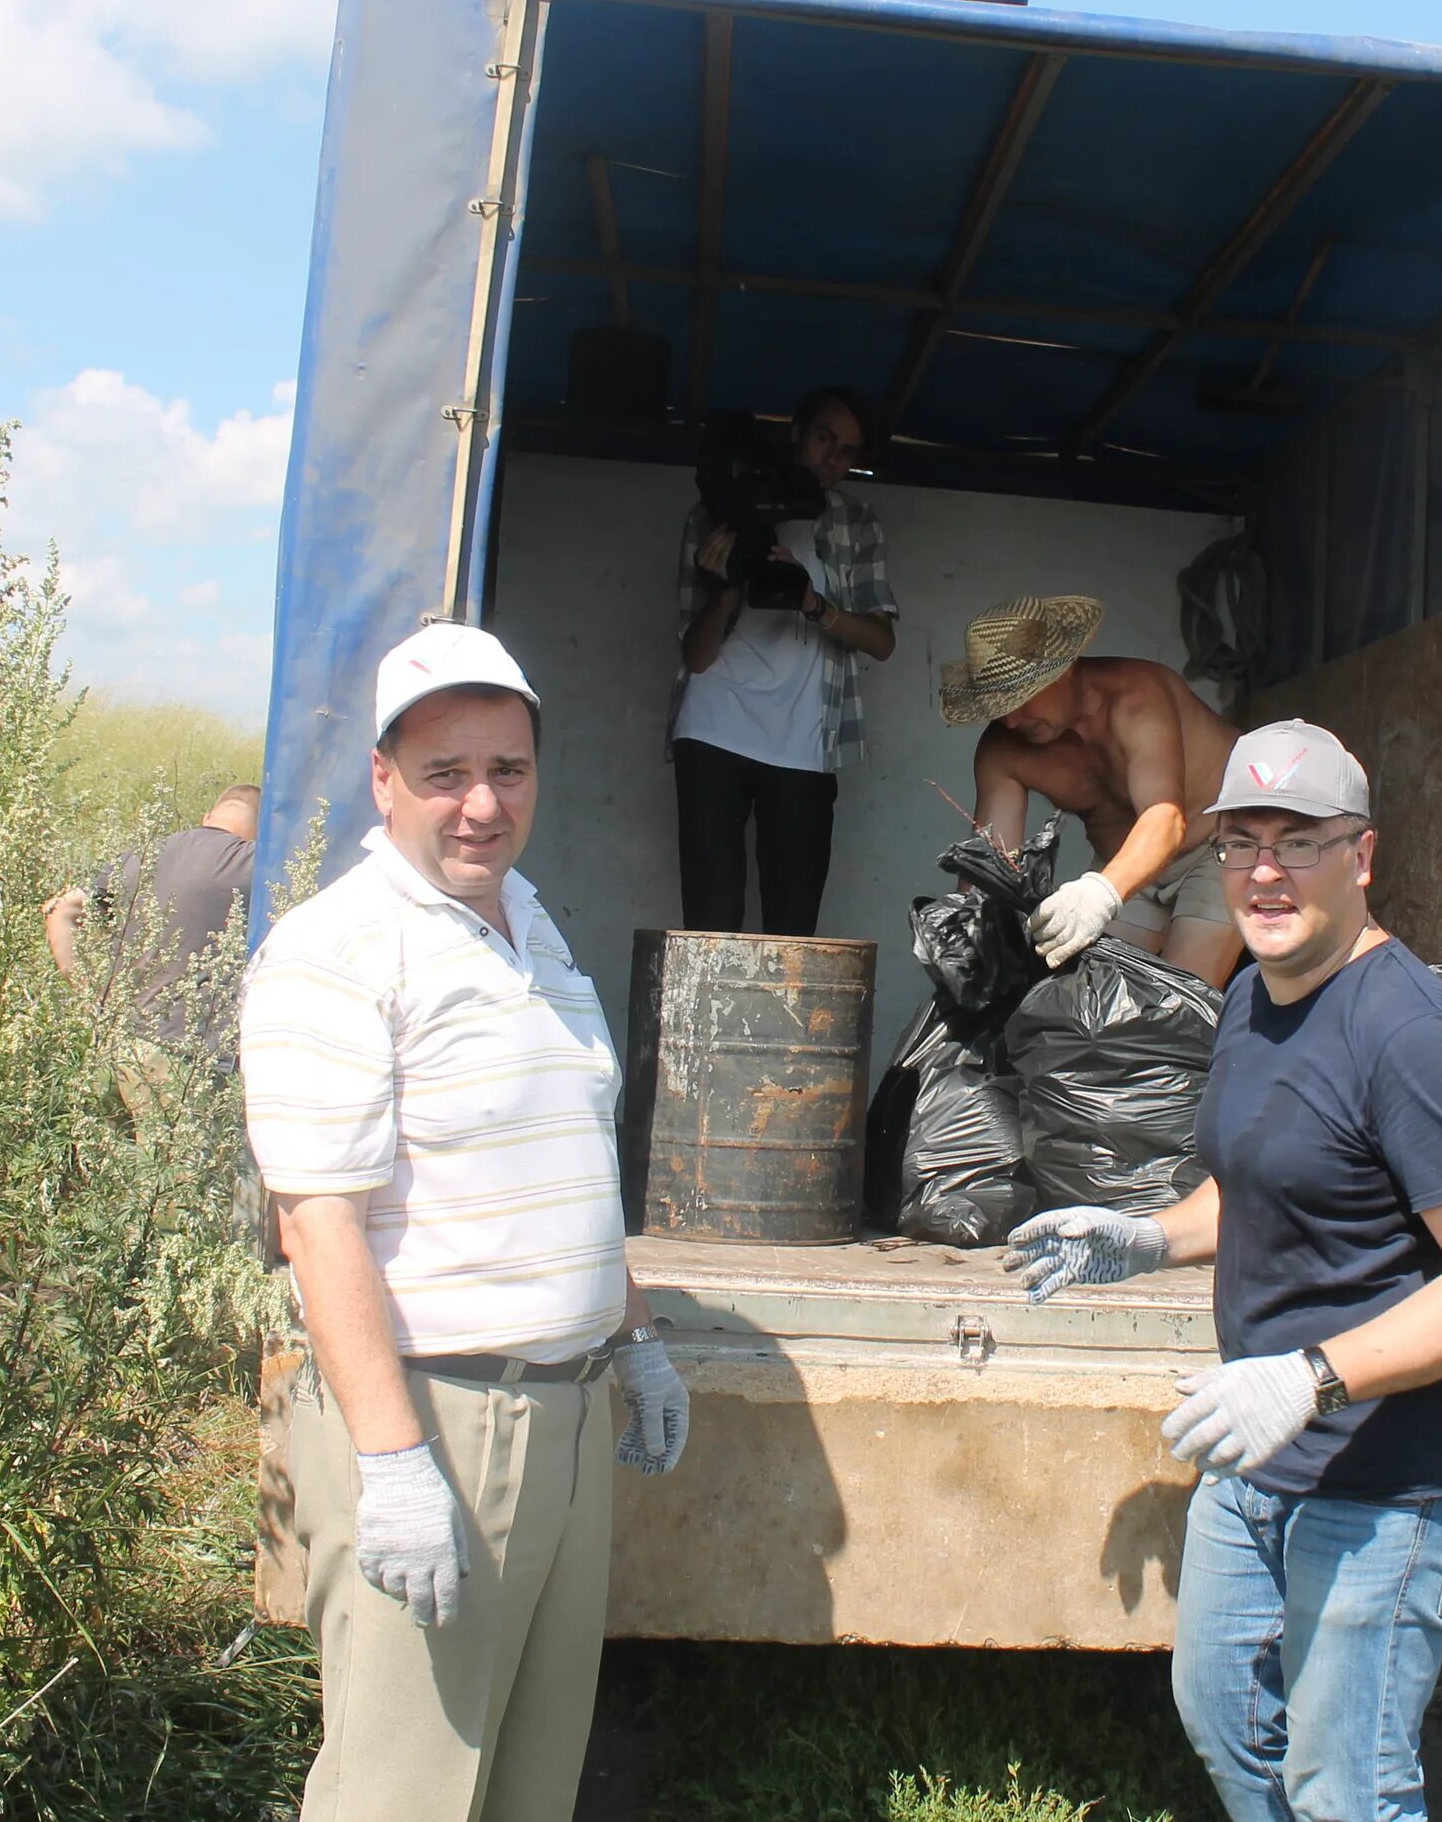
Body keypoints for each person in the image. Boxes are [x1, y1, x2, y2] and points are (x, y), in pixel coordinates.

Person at [1003, 719, 1442, 1822]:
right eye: (1241, 839)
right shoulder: (1256, 993)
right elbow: (1259, 1180)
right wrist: (1153, 1234)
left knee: (1345, 1784)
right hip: (1261, 1454)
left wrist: (1309, 1374)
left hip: (1395, 1475)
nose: (1263, 869)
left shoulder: (1413, 1035)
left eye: (1299, 840)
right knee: (1222, 1716)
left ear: (1362, 854)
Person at [240, 621, 691, 1822]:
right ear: (383, 779)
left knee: (527, 1789)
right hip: (440, 1418)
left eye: (509, 769)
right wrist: (392, 1463)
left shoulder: (529, 921)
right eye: (445, 772)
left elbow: (566, 1158)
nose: (482, 803)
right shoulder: (334, 949)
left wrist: (633, 1332)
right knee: (404, 1794)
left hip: (564, 1413)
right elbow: (317, 1222)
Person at [672, 384, 897, 937]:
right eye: (825, 438)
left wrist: (812, 604)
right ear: (796, 432)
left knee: (794, 925)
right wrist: (728, 587)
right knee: (711, 915)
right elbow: (695, 658)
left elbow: (881, 641)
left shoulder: (854, 522)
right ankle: (701, 1027)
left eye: (848, 451)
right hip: (713, 725)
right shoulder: (717, 510)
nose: (832, 459)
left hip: (807, 741)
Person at [943, 594, 1245, 984]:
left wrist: (1099, 894)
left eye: (1023, 696)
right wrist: (965, 941)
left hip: (1218, 844)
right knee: (1080, 998)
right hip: (1125, 865)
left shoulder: (1137, 699)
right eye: (998, 706)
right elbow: (990, 868)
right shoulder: (1003, 750)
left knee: (1178, 1003)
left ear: (1065, 670)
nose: (1013, 719)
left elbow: (1165, 818)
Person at [42, 781, 258, 1039]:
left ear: (207, 818)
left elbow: (61, 909)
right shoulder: (251, 861)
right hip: (194, 1055)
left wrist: (90, 997)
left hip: (121, 1044)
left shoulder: (141, 856)